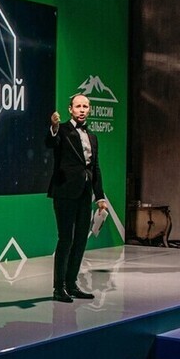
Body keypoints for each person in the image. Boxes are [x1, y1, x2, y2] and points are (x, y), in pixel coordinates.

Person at [47, 94, 108, 302]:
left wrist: (100, 197)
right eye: (78, 106)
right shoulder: (62, 130)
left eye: (85, 106)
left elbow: (95, 168)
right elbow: (51, 142)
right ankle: (59, 288)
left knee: (81, 240)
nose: (82, 110)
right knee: (66, 239)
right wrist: (54, 127)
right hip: (64, 191)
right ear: (70, 109)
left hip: (84, 194)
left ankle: (71, 284)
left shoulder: (92, 137)